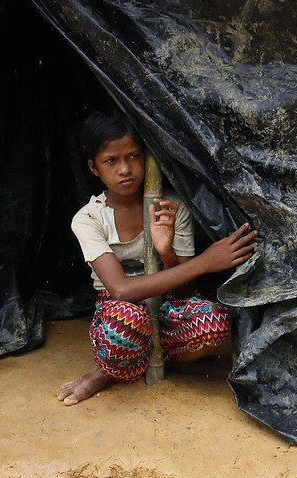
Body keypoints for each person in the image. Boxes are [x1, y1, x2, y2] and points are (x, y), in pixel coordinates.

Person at [57, 112, 257, 406]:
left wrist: (167, 254)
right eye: (111, 161)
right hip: (119, 310)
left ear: (146, 157)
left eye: (133, 156)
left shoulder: (171, 207)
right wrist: (206, 261)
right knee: (124, 323)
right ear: (93, 168)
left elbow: (186, 292)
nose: (125, 169)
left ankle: (160, 360)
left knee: (214, 321)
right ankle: (109, 371)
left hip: (167, 306)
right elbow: (121, 290)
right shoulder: (88, 219)